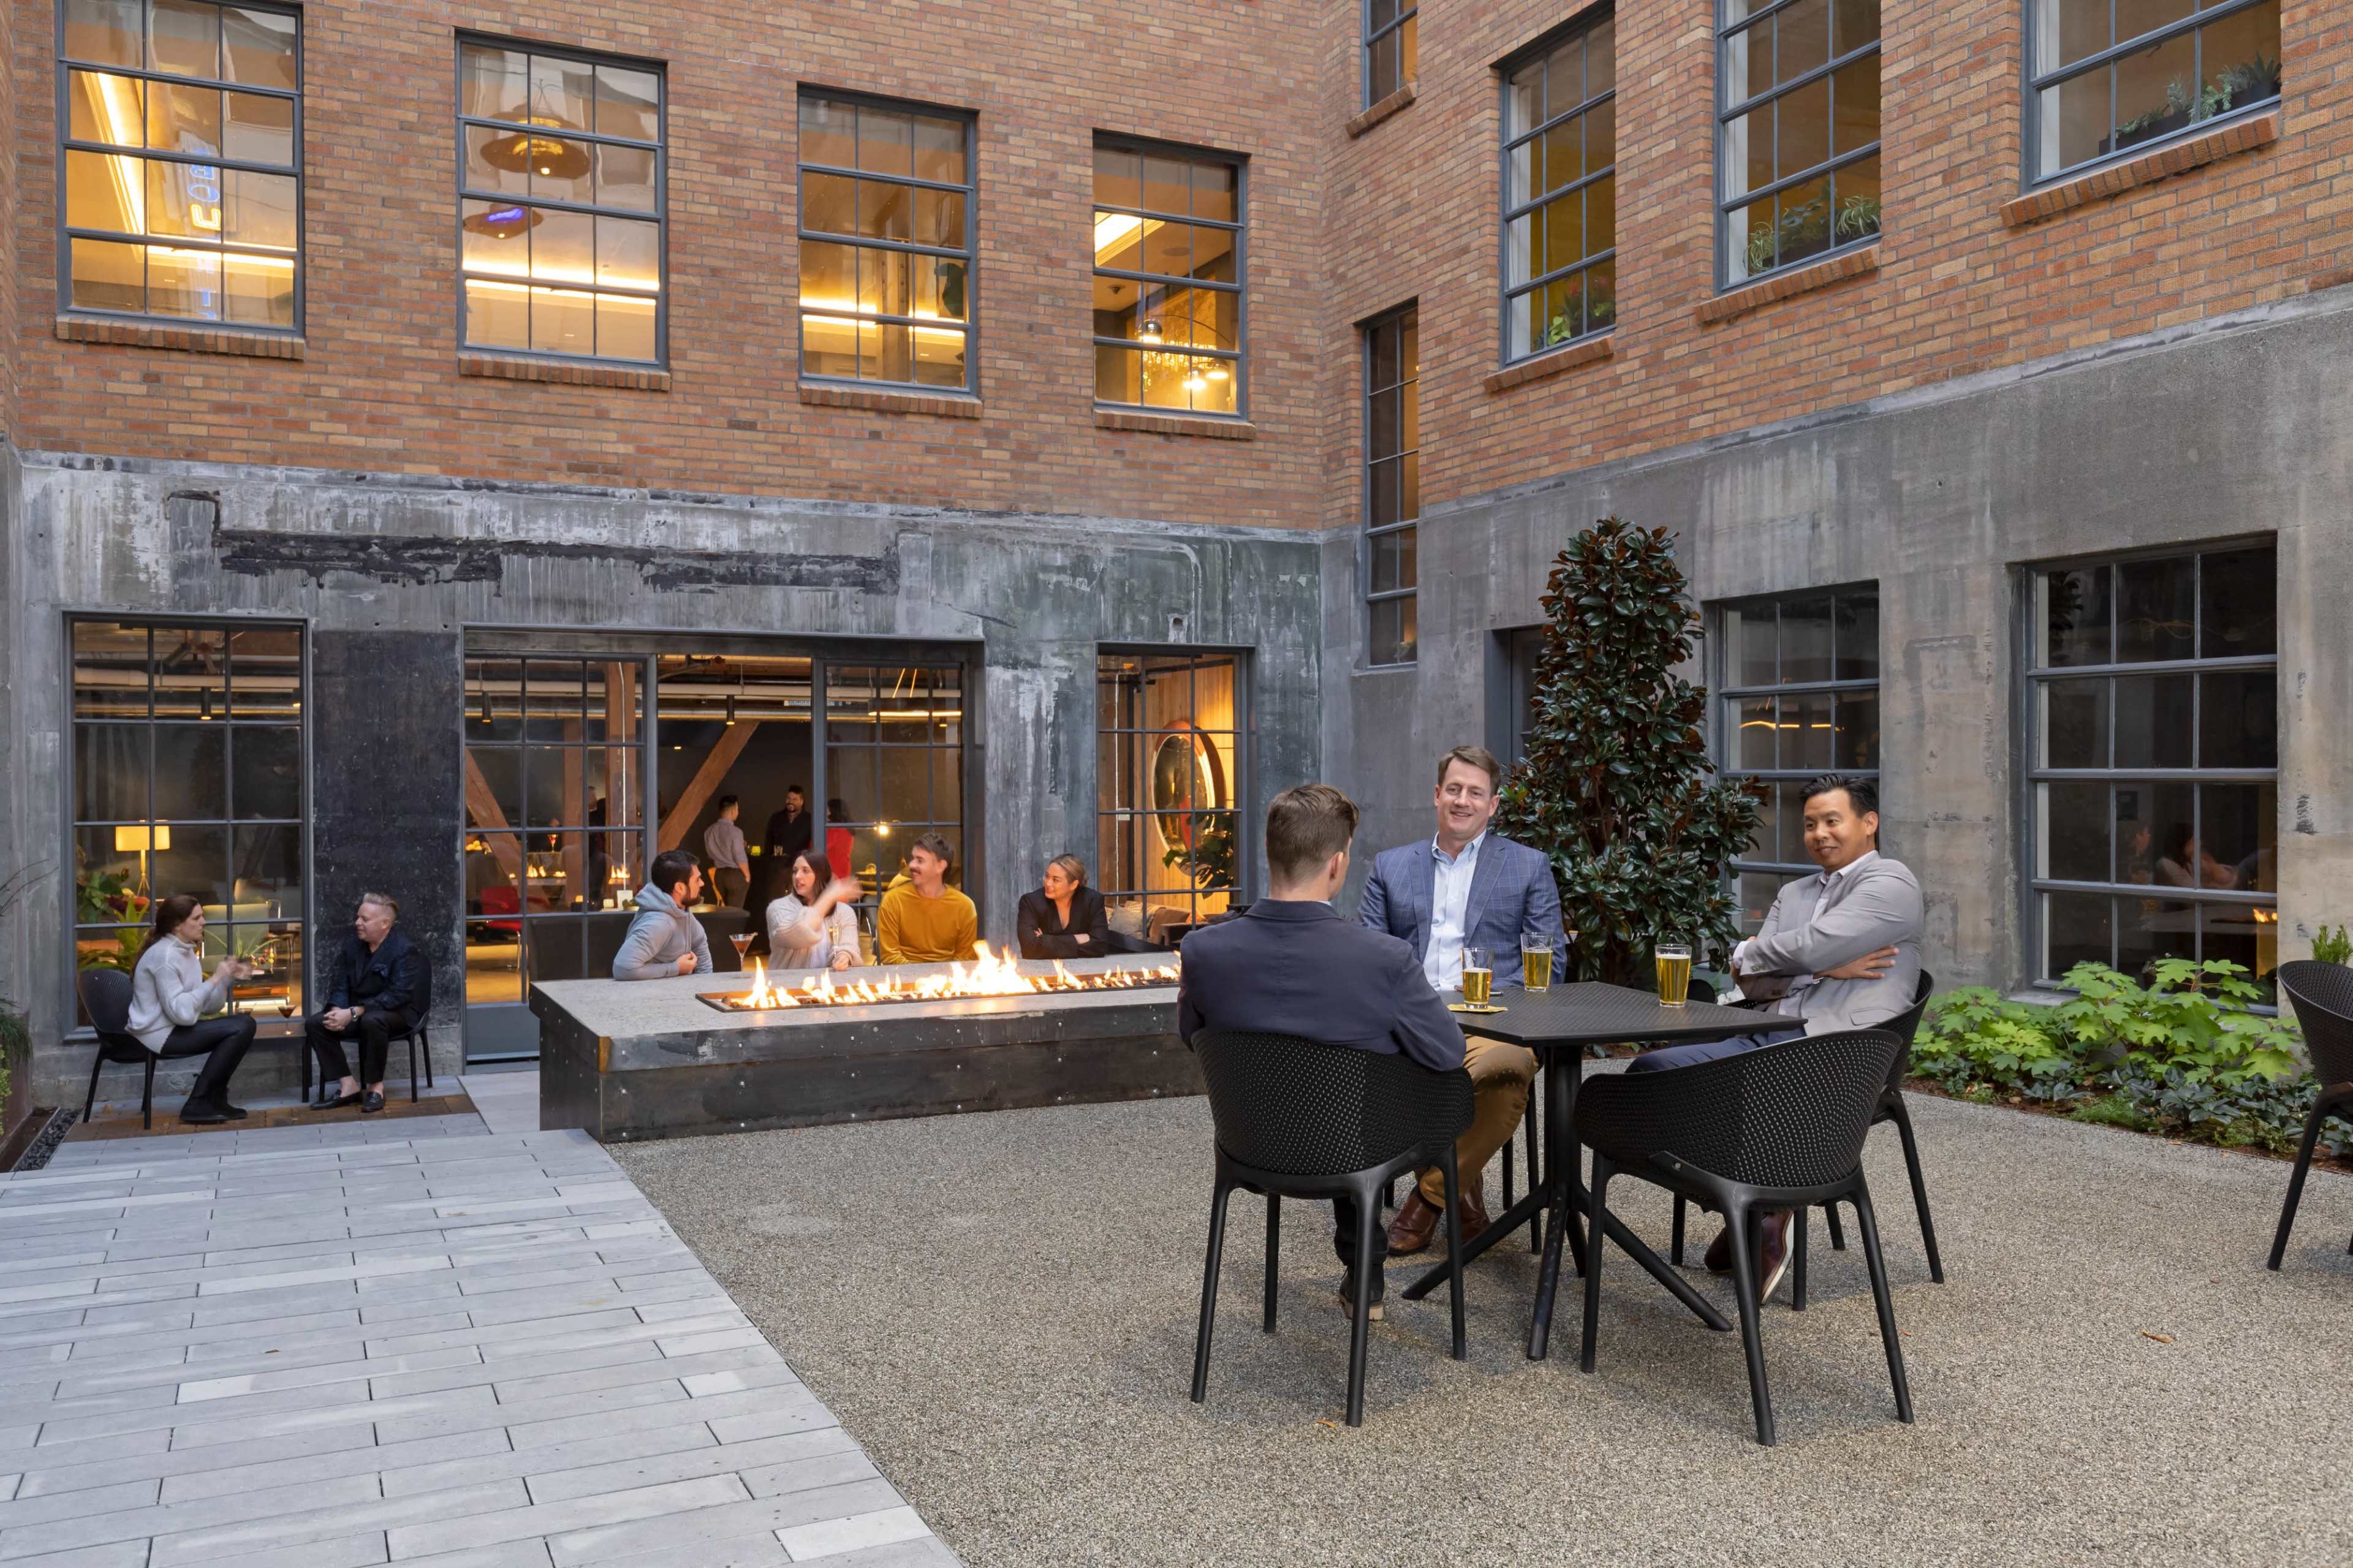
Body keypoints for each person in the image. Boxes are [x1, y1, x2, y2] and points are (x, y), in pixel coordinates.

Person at [1626, 772, 1923, 1303]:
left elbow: (1801, 950)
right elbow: (1754, 979)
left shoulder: (1891, 883)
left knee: (1718, 1087)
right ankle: (1743, 1205)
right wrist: (1822, 967)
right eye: (1810, 824)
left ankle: (1764, 1214)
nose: (1820, 833)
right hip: (1767, 1031)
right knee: (1651, 1073)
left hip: (1839, 1051)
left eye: (1833, 820)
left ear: (1868, 822)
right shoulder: (1795, 891)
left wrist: (1783, 955)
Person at [1180, 784, 1466, 1320]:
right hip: (1354, 1146)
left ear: (1271, 854)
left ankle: (1364, 1267)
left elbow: (1190, 1034)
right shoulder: (1382, 958)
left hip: (1250, 1143)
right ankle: (1366, 1273)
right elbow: (1447, 1052)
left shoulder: (1202, 951)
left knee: (1329, 1089)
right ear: (1337, 864)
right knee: (1371, 1092)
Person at [1355, 744, 1564, 1257]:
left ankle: (1427, 1199)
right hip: (1411, 1022)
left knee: (1510, 1069)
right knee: (1444, 1080)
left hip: (1494, 1022)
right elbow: (1365, 956)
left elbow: (1550, 963)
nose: (1463, 801)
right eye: (1454, 789)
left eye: (1476, 792)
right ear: (1436, 795)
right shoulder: (1390, 866)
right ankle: (1462, 1187)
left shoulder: (1529, 867)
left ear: (1494, 805)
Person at [124, 894, 257, 1125]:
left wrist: (225, 979)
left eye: (202, 917)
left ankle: (214, 1100)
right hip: (157, 1035)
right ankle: (198, 1103)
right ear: (177, 925)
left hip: (174, 1027)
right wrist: (215, 978)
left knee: (243, 1024)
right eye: (196, 918)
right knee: (241, 1026)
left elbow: (209, 1006)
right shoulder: (165, 958)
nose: (203, 922)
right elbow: (183, 1015)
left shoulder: (186, 951)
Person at [305, 892, 426, 1114]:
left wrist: (353, 1012)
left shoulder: (404, 949)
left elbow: (398, 995)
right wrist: (336, 1012)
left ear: (385, 923)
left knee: (373, 1020)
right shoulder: (353, 945)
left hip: (397, 1013)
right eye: (358, 917)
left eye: (365, 919)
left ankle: (375, 1088)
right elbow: (341, 984)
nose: (357, 923)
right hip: (358, 1011)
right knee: (316, 1023)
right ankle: (348, 1086)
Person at [876, 833, 978, 963]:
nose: (911, 865)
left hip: (949, 979)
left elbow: (964, 959)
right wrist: (922, 981)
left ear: (940, 866)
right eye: (912, 859)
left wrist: (941, 981)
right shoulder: (893, 901)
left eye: (920, 860)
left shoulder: (965, 906)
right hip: (903, 979)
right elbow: (890, 957)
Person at [614, 849, 714, 980]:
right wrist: (676, 968)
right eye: (697, 880)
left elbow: (700, 944)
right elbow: (623, 968)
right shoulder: (659, 923)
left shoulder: (680, 911)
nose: (702, 883)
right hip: (652, 998)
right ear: (680, 888)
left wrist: (704, 989)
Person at [767, 850, 865, 971]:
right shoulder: (778, 908)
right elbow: (798, 933)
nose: (797, 876)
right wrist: (829, 897)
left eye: (805, 871)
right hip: (787, 986)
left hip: (828, 986)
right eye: (795, 871)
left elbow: (848, 946)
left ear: (821, 875)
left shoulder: (844, 912)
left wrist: (844, 956)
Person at [1017, 854, 1111, 960]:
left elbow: (1100, 947)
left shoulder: (1093, 900)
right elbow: (1029, 949)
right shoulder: (1031, 902)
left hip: (1086, 968)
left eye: (1056, 880)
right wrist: (1078, 939)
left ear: (1073, 885)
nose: (1048, 883)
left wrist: (1047, 941)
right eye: (1047, 876)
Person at [760, 786, 814, 906]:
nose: (790, 802)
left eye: (795, 799)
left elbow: (813, 845)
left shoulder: (809, 819)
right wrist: (768, 862)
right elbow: (768, 842)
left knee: (799, 901)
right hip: (778, 868)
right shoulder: (776, 818)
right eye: (788, 798)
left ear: (802, 802)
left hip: (800, 868)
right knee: (777, 901)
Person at [705, 796, 751, 911]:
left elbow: (710, 854)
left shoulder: (709, 831)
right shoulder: (736, 832)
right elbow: (740, 857)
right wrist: (747, 875)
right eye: (737, 809)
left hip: (718, 874)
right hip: (735, 875)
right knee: (735, 913)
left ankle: (725, 929)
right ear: (733, 810)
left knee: (724, 911)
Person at [825, 799, 855, 882]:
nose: (826, 813)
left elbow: (819, 848)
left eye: (827, 810)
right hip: (843, 872)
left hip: (833, 873)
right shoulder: (847, 829)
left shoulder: (835, 830)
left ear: (833, 812)